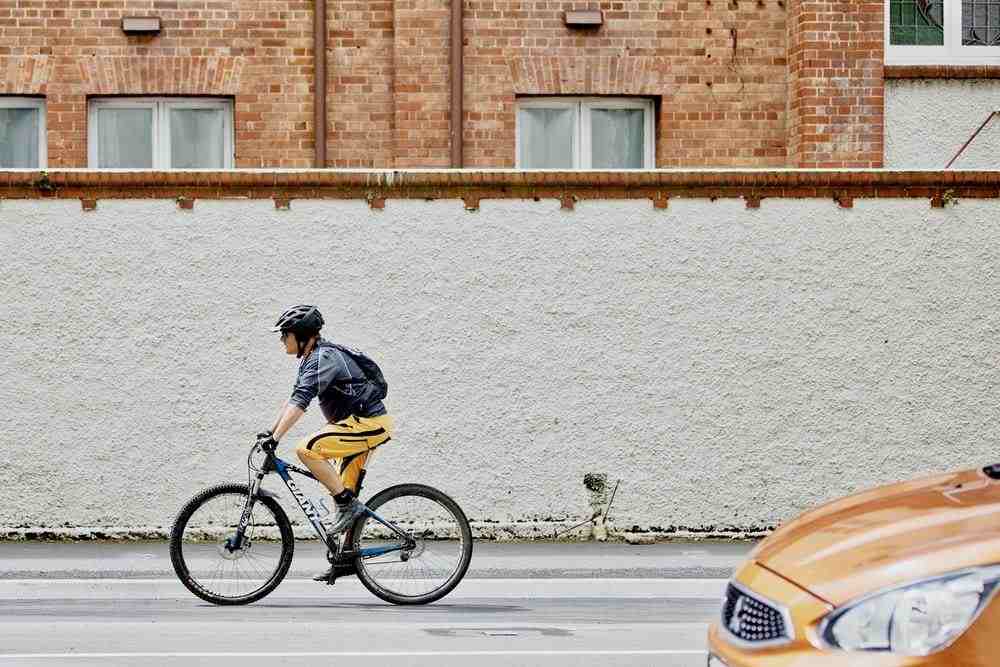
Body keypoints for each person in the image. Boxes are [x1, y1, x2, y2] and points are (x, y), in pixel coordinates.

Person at [255, 304, 392, 581]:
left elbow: (301, 402)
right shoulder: (312, 358)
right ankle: (346, 559)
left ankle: (346, 504)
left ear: (302, 336)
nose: (282, 339)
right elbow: (294, 397)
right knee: (342, 491)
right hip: (357, 425)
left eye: (285, 334)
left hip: (369, 424)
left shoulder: (323, 357)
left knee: (307, 449)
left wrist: (277, 438)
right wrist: (270, 432)